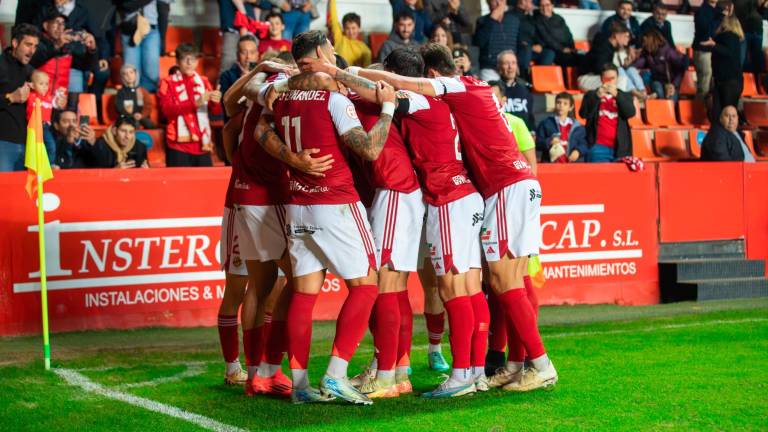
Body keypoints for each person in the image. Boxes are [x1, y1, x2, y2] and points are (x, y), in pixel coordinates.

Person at [304, 42, 558, 393]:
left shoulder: (424, 97)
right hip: (468, 193)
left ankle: (448, 373)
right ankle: (473, 372)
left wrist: (338, 73)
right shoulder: (450, 99)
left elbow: (385, 88)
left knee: (460, 287)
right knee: (472, 287)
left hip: (451, 195)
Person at [257, 30, 397, 405]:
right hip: (335, 202)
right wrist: (387, 111)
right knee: (367, 283)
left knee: (304, 292)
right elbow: (368, 149)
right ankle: (336, 374)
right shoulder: (332, 96)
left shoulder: (281, 92)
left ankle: (300, 386)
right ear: (321, 52)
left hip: (298, 203)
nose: (335, 56)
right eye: (332, 51)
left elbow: (259, 131)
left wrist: (292, 159)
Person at [158, 43, 222, 167]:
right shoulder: (167, 82)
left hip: (202, 144)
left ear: (197, 61)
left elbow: (215, 112)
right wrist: (194, 103)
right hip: (178, 146)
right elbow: (166, 111)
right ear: (177, 61)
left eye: (192, 59)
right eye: (184, 58)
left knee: (204, 186)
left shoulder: (203, 81)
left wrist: (215, 102)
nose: (189, 62)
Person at [30, 6, 97, 107]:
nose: (60, 27)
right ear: (46, 25)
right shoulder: (37, 42)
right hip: (39, 99)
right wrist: (56, 46)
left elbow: (87, 66)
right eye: (56, 23)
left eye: (62, 24)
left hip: (60, 98)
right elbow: (35, 61)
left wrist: (92, 49)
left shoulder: (68, 45)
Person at [0, 24, 39, 172]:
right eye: (28, 45)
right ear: (15, 43)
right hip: (3, 142)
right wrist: (10, 97)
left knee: (21, 194)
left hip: (28, 144)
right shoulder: (1, 65)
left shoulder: (31, 71)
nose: (32, 51)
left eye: (35, 46)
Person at [579, 64, 636, 163]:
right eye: (606, 78)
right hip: (597, 148)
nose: (609, 81)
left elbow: (630, 113)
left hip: (620, 149)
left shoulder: (625, 95)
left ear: (617, 79)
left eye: (612, 78)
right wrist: (597, 96)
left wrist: (617, 96)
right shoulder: (591, 95)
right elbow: (583, 114)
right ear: (601, 79)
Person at [580, 23, 647, 99]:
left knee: (630, 69)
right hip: (587, 78)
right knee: (620, 77)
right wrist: (616, 70)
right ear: (617, 35)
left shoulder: (611, 48)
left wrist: (624, 66)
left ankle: (642, 92)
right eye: (626, 36)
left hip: (597, 77)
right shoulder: (603, 46)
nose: (628, 40)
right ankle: (629, 98)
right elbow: (599, 68)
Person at [489, 80, 537, 174]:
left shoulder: (517, 123)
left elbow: (531, 162)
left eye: (494, 97)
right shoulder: (476, 124)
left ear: (503, 100)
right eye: (487, 97)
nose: (490, 100)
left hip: (514, 182)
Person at [116, 0, 161, 92]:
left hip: (151, 29)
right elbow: (125, 4)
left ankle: (147, 100)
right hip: (129, 29)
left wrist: (163, 38)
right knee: (131, 72)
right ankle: (134, 100)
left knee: (151, 72)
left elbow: (163, 7)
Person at [632, 29, 688, 100]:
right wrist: (630, 64)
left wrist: (674, 85)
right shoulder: (647, 53)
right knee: (658, 89)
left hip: (670, 82)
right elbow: (639, 63)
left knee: (670, 99)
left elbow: (680, 70)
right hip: (657, 81)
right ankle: (658, 100)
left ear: (651, 40)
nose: (644, 44)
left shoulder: (668, 52)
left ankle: (665, 105)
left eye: (645, 41)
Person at [535, 91, 587, 163]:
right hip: (550, 165)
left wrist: (578, 151)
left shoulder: (578, 127)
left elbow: (584, 144)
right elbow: (537, 143)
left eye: (565, 104)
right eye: (558, 102)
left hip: (571, 165)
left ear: (571, 107)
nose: (561, 105)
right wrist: (549, 141)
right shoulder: (546, 123)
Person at [473, 0, 519, 82]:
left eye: (501, 0)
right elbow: (479, 42)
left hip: (510, 66)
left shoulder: (514, 20)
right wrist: (492, 19)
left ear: (505, 2)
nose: (498, 3)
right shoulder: (482, 21)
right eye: (494, 0)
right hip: (490, 67)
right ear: (488, 3)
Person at [710, 15, 744, 123]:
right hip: (733, 81)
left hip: (726, 81)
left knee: (723, 115)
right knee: (728, 114)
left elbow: (727, 52)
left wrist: (714, 45)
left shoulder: (728, 36)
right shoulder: (738, 39)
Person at [27, 70, 65, 164]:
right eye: (41, 84)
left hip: (46, 127)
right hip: (34, 127)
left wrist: (59, 94)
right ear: (32, 85)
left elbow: (56, 103)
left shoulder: (48, 97)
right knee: (36, 149)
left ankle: (49, 165)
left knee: (51, 146)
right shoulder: (30, 96)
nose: (45, 87)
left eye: (47, 84)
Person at [219, 35, 260, 120]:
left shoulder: (263, 73)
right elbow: (226, 106)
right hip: (235, 123)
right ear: (237, 55)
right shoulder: (226, 76)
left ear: (257, 55)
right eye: (244, 52)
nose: (248, 57)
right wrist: (243, 79)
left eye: (252, 52)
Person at [83, 116, 148, 168]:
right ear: (114, 131)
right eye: (123, 131)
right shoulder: (100, 146)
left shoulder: (140, 147)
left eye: (131, 132)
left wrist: (146, 172)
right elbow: (97, 176)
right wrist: (115, 172)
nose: (127, 136)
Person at [693, 0, 725, 100]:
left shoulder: (720, 10)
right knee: (704, 86)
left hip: (715, 51)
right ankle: (698, 110)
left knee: (713, 87)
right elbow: (707, 32)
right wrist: (720, 18)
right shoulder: (701, 11)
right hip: (703, 51)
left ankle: (709, 113)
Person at [496, 50, 534, 131]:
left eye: (513, 63)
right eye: (506, 63)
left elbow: (530, 117)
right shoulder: (494, 90)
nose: (510, 67)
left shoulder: (525, 89)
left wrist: (533, 132)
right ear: (499, 67)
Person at [534, 0, 578, 69]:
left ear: (552, 6)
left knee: (583, 58)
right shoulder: (537, 20)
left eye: (547, 5)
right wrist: (562, 49)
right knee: (572, 60)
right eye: (542, 6)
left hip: (566, 49)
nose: (544, 8)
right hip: (555, 50)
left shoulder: (559, 18)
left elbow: (568, 35)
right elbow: (547, 39)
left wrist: (572, 48)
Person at [327, 0, 372, 67]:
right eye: (347, 28)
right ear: (344, 29)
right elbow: (334, 18)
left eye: (353, 28)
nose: (351, 32)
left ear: (359, 28)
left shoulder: (365, 49)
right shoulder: (339, 38)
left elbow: (368, 71)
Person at [218, 0, 259, 71]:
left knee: (252, 66)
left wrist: (256, 1)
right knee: (227, 64)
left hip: (251, 29)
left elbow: (265, 4)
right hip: (232, 30)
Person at [514, 0, 549, 80]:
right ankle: (524, 79)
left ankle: (540, 79)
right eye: (530, 2)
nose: (532, 5)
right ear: (523, 2)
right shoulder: (513, 16)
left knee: (549, 52)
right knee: (526, 50)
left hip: (532, 49)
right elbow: (515, 36)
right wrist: (531, 46)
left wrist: (540, 45)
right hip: (520, 49)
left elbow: (537, 34)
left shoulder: (531, 17)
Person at [116, 63, 156, 129]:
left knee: (150, 125)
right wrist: (131, 115)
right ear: (122, 77)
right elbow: (119, 107)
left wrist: (142, 115)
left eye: (131, 72)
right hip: (127, 117)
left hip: (141, 117)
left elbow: (148, 105)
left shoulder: (142, 90)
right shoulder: (121, 92)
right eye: (126, 74)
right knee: (132, 124)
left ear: (135, 74)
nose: (129, 76)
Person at [733, 0, 766, 76]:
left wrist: (763, 5)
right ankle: (744, 82)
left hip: (757, 30)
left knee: (759, 61)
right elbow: (741, 12)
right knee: (743, 60)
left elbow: (760, 13)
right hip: (744, 31)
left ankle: (758, 84)